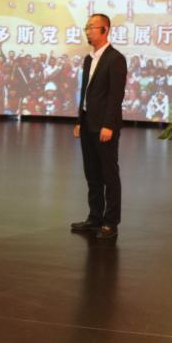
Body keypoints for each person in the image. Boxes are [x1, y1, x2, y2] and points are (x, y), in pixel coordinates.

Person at [71, 14, 127, 240]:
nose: (88, 31)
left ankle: (111, 222)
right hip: (87, 123)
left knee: (109, 174)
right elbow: (85, 93)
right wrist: (79, 120)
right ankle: (94, 217)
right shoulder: (89, 59)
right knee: (92, 174)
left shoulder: (115, 59)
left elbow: (116, 95)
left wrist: (109, 124)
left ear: (105, 30)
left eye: (92, 28)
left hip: (104, 126)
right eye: (86, 28)